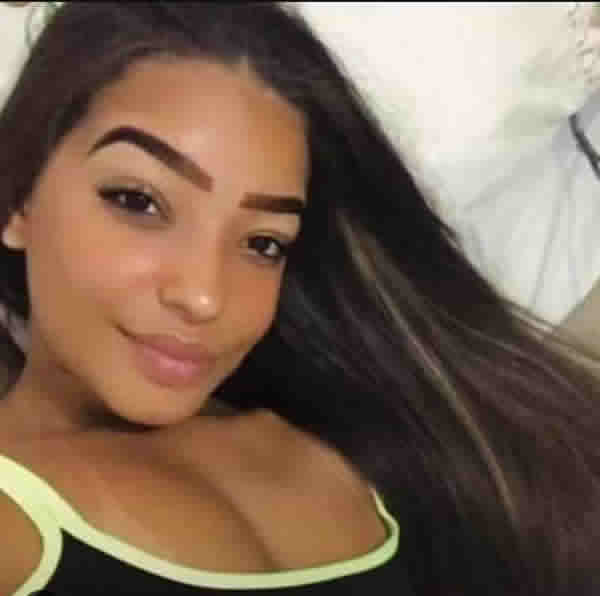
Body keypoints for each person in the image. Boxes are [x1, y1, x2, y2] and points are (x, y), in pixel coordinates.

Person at [0, 3, 599, 595]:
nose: (204, 296)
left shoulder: (379, 442)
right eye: (138, 202)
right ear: (20, 200)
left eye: (263, 243)